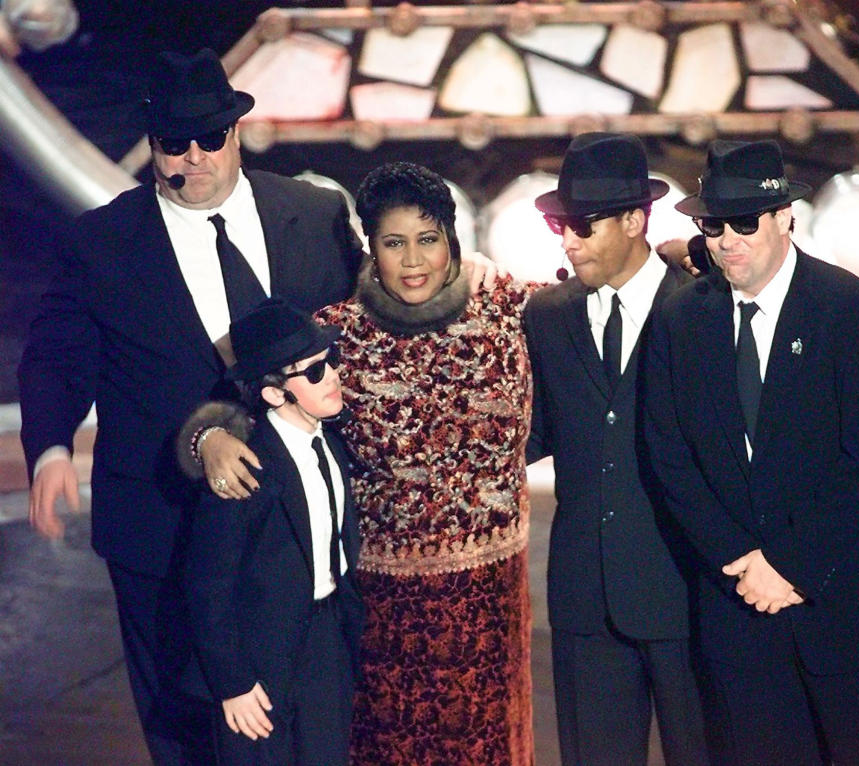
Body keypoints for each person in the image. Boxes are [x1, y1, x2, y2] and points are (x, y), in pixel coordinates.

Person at [17, 48, 364, 763]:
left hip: (288, 537)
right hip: (158, 526)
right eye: (175, 143)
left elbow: (375, 316)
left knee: (302, 731)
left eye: (210, 139)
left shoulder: (316, 214)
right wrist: (51, 448)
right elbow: (57, 356)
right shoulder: (104, 242)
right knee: (182, 732)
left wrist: (466, 267)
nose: (194, 158)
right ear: (154, 146)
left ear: (237, 134)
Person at [186, 161, 535, 765]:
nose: (413, 260)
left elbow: (601, 316)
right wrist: (207, 438)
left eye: (428, 239)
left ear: (452, 238)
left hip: (490, 602)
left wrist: (683, 252)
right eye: (393, 243)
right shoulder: (335, 335)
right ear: (369, 247)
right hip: (384, 608)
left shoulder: (505, 303)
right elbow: (246, 399)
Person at [644, 139, 859, 766]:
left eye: (745, 223)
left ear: (785, 220)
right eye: (713, 226)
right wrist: (738, 558)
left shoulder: (851, 311)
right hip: (742, 621)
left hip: (858, 616)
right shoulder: (681, 319)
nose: (728, 241)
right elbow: (670, 458)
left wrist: (789, 567)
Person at [524, 132, 709, 766]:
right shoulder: (545, 316)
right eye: (559, 224)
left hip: (690, 597)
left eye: (583, 225)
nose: (568, 241)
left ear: (636, 219)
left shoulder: (703, 309)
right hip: (585, 603)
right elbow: (527, 433)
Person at [182, 298, 363, 766]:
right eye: (314, 372)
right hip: (259, 654)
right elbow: (208, 585)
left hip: (326, 641)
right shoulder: (246, 467)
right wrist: (232, 683)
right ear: (273, 393)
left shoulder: (334, 444)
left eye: (332, 361)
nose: (334, 375)